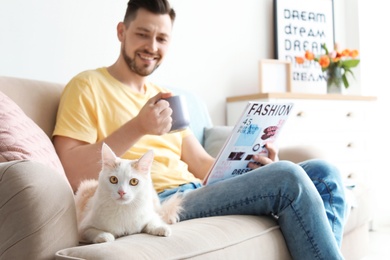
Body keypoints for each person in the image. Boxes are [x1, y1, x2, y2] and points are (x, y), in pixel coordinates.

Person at [53, 0, 347, 259]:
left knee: (324, 173)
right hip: (164, 201)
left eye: (162, 38)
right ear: (121, 32)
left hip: (199, 189)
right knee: (289, 176)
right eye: (143, 34)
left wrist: (254, 166)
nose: (152, 47)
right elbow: (71, 172)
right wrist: (139, 127)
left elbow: (204, 167)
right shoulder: (86, 86)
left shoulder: (166, 96)